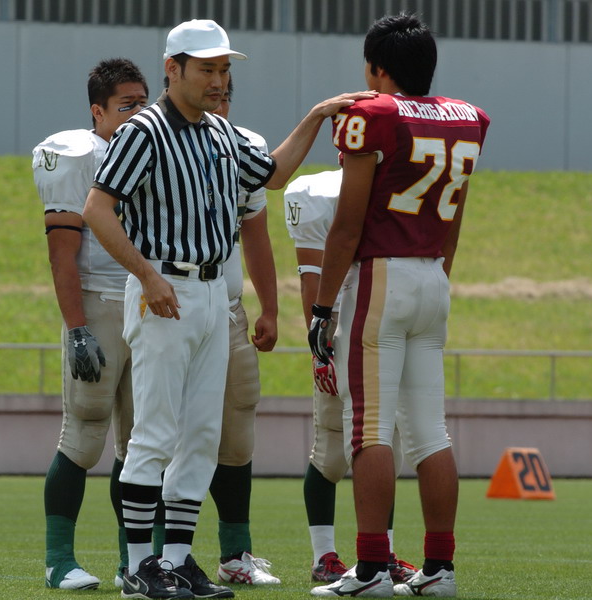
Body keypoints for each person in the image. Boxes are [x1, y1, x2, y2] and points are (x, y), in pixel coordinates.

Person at [82, 18, 374, 600]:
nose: (218, 80)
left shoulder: (220, 132)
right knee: (154, 432)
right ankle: (138, 566)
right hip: (166, 286)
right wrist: (146, 274)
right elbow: (96, 208)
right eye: (207, 69)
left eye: (223, 69)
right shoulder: (144, 131)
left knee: (200, 433)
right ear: (173, 69)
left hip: (213, 291)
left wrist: (317, 116)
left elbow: (273, 174)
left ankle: (176, 559)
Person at [306, 13, 489, 597]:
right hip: (433, 274)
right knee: (431, 433)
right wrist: (433, 276)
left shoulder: (374, 115)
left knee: (369, 429)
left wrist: (322, 308)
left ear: (377, 69)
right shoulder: (468, 118)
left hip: (381, 276)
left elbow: (346, 227)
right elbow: (455, 220)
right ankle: (440, 569)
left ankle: (371, 569)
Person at [32, 58, 149, 590]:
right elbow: (62, 253)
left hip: (146, 306)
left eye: (143, 103)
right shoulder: (78, 154)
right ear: (97, 112)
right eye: (126, 106)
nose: (137, 115)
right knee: (83, 435)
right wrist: (76, 327)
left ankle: (135, 562)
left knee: (143, 444)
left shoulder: (154, 148)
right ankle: (59, 560)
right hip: (99, 304)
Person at [284, 167, 417, 585]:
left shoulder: (400, 183)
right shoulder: (317, 191)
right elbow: (312, 279)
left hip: (384, 322)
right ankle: (324, 555)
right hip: (340, 326)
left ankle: (384, 553)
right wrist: (319, 348)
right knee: (330, 451)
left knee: (387, 445)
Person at [207, 78, 281, 586]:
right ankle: (150, 556)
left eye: (225, 94)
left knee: (236, 432)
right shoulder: (153, 136)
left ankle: (236, 554)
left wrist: (269, 308)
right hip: (168, 306)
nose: (218, 101)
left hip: (229, 308)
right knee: (166, 433)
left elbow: (255, 234)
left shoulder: (244, 148)